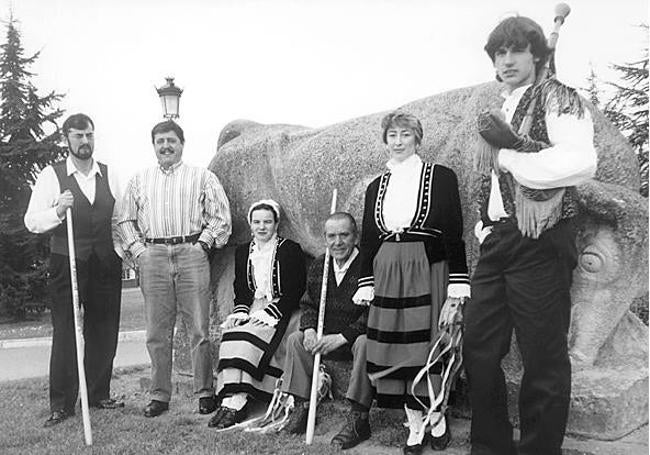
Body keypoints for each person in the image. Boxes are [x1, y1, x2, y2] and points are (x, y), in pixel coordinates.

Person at [463, 16, 597, 455]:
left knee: (542, 357)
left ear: (538, 54)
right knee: (479, 350)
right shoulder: (502, 107)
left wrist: (512, 157)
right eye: (499, 53)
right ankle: (490, 447)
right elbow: (488, 177)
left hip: (542, 238)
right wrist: (484, 227)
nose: (506, 60)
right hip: (498, 241)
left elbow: (579, 162)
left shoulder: (558, 97)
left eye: (516, 51)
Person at [353, 111, 470, 454]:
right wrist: (366, 280)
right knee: (394, 346)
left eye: (405, 135)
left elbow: (453, 230)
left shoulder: (441, 177)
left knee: (428, 344)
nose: (399, 141)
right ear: (385, 140)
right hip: (388, 270)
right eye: (392, 135)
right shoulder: (376, 186)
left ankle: (437, 417)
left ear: (418, 138)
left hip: (427, 267)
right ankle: (414, 424)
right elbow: (369, 237)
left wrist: (458, 280)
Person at [119, 120, 232, 418]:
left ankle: (205, 392)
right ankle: (159, 395)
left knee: (199, 328)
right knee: (157, 331)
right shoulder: (138, 180)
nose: (166, 146)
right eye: (160, 141)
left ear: (182, 143)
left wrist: (203, 245)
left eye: (171, 140)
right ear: (153, 145)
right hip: (153, 255)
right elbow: (124, 220)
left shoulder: (202, 177)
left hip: (191, 252)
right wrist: (140, 252)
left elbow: (220, 217)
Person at [24, 113, 124, 427]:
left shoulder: (109, 174)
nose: (85, 141)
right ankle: (63, 403)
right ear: (66, 138)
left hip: (105, 264)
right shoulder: (52, 175)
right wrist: (57, 210)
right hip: (66, 262)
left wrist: (123, 252)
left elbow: (121, 219)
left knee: (103, 330)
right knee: (66, 330)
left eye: (89, 135)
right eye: (78, 135)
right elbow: (32, 221)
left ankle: (98, 394)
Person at [208, 199, 306, 429]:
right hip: (254, 308)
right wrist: (241, 311)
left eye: (267, 222)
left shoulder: (290, 249)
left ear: (276, 224)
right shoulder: (243, 252)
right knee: (232, 333)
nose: (262, 227)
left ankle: (240, 401)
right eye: (257, 222)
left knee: (246, 339)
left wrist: (272, 311)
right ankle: (230, 399)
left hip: (282, 310)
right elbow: (241, 288)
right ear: (250, 224)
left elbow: (297, 288)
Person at [280, 212, 373, 449]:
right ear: (325, 237)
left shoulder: (368, 265)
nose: (338, 242)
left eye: (344, 235)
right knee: (296, 340)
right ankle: (302, 406)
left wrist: (342, 338)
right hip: (324, 336)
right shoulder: (320, 264)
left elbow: (373, 311)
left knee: (365, 343)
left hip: (351, 339)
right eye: (331, 236)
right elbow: (308, 303)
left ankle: (358, 418)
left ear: (356, 236)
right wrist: (310, 330)